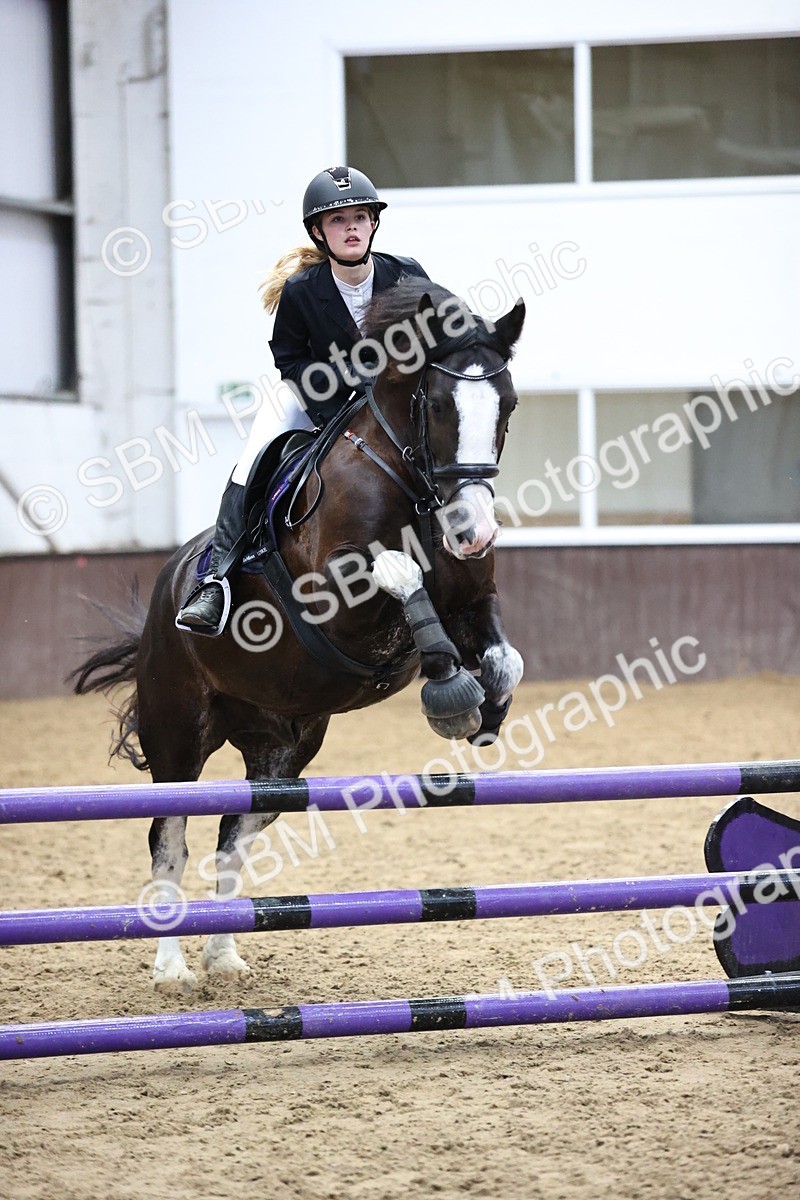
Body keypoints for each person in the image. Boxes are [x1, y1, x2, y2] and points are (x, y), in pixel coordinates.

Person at [176, 165, 430, 633]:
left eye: (359, 216)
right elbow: (289, 358)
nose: (351, 227)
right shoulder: (301, 292)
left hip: (389, 401)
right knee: (253, 455)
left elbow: (435, 335)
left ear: (374, 223)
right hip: (310, 393)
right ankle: (217, 580)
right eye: (338, 220)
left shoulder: (407, 275)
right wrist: (332, 408)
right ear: (318, 232)